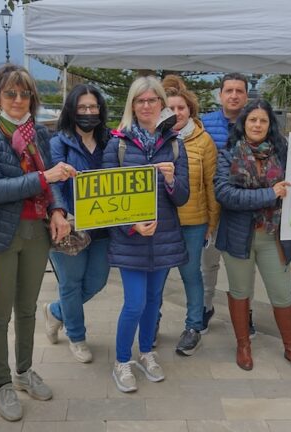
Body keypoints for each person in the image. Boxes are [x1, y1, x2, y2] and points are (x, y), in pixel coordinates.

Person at [0, 64, 74, 421]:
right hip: (1, 234)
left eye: (24, 93)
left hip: (36, 232)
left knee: (27, 309)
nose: (17, 99)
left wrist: (58, 210)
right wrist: (45, 177)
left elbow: (52, 184)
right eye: (10, 93)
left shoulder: (39, 134)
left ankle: (24, 371)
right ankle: (2, 383)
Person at [105, 76, 189, 393]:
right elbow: (106, 201)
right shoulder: (119, 144)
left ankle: (146, 353)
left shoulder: (175, 144)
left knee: (153, 302)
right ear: (132, 105)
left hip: (164, 238)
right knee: (135, 304)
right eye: (139, 100)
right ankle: (122, 360)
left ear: (161, 104)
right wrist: (131, 226)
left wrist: (170, 180)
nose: (146, 106)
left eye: (152, 100)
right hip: (131, 240)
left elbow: (182, 196)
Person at [214, 99, 291, 375]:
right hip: (238, 237)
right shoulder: (228, 154)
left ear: (270, 125)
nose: (257, 125)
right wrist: (270, 194)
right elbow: (225, 194)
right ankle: (243, 345)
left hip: (272, 237)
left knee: (281, 293)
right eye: (252, 119)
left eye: (263, 120)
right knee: (240, 292)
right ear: (243, 123)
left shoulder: (285, 153)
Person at [42, 84, 111, 363]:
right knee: (71, 283)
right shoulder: (57, 142)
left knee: (97, 281)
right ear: (71, 110)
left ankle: (56, 312)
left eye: (93, 107)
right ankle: (77, 335)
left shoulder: (110, 141)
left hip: (104, 225)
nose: (88, 112)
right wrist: (58, 212)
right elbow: (52, 183)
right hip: (69, 225)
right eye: (82, 107)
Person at [162, 75, 219, 356]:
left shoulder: (204, 141)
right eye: (170, 108)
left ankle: (194, 326)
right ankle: (151, 323)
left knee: (190, 274)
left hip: (194, 222)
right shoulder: (154, 138)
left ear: (190, 110)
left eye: (180, 108)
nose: (175, 113)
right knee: (157, 277)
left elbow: (211, 183)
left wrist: (212, 221)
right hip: (160, 222)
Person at [200, 73, 255, 336]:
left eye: (239, 91)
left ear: (246, 95)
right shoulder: (204, 123)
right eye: (229, 90)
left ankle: (246, 314)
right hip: (210, 207)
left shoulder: (255, 122)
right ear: (220, 95)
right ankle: (204, 307)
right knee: (207, 263)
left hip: (242, 208)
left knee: (242, 265)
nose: (234, 95)